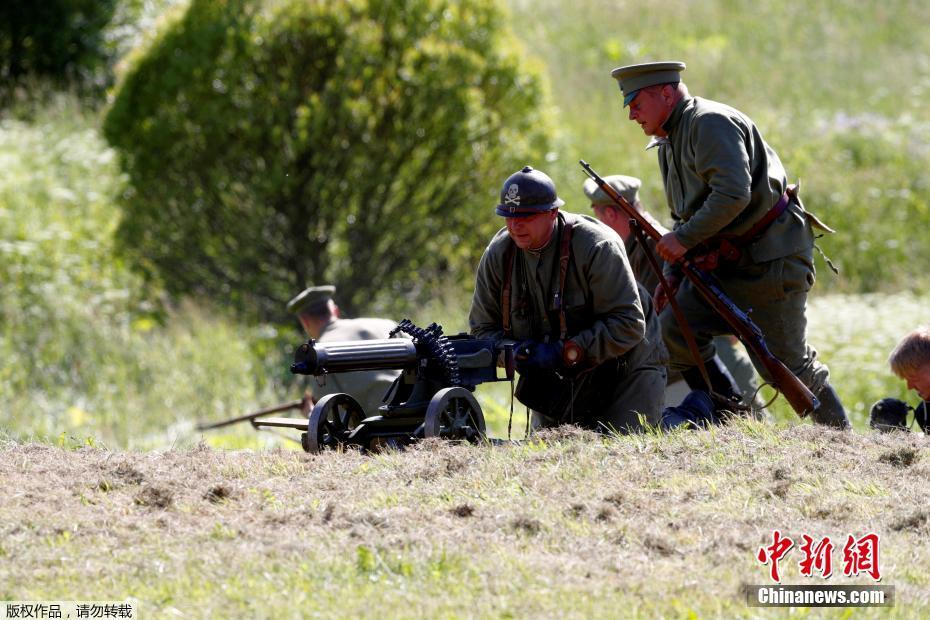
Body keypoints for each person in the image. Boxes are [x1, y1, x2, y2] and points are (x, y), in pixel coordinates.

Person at [609, 60, 849, 428]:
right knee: (674, 331)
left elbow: (732, 194)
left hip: (770, 261)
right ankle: (733, 418)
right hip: (722, 265)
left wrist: (684, 240)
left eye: (636, 103)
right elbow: (684, 216)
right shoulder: (667, 142)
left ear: (667, 94)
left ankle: (841, 440)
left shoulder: (709, 123)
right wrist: (672, 275)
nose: (632, 115)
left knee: (787, 363)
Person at [469, 165, 668, 433]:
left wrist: (564, 352)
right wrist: (514, 353)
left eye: (526, 216)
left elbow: (629, 324)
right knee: (548, 458)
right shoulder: (499, 255)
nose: (515, 225)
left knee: (625, 449)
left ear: (553, 213)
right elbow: (481, 330)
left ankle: (689, 415)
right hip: (555, 378)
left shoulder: (596, 246)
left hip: (627, 365)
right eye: (508, 216)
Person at [583, 174, 768, 416]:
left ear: (609, 214)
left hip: (698, 369)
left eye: (597, 212)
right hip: (686, 369)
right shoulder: (636, 246)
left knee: (746, 432)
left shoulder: (656, 246)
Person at [287, 285, 400, 416]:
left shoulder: (318, 354)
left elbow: (331, 420)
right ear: (335, 311)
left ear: (305, 322)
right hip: (421, 415)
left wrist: (310, 413)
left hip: (383, 428)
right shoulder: (387, 325)